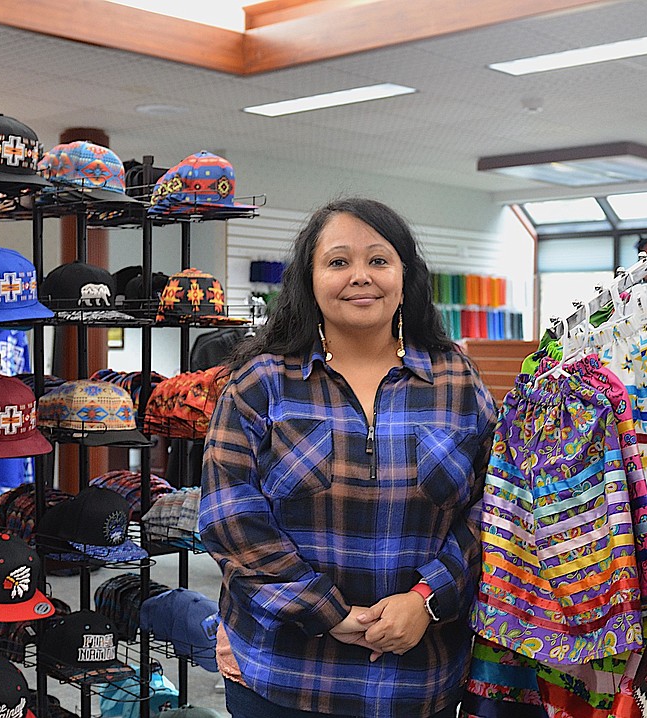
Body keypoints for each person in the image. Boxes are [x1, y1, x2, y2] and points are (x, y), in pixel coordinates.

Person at [199, 197, 497, 718]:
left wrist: (427, 598)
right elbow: (230, 517)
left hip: (418, 677)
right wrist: (326, 611)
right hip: (284, 673)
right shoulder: (262, 382)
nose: (360, 276)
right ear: (309, 281)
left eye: (378, 260)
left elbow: (492, 508)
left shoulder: (457, 382)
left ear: (406, 277)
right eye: (338, 262)